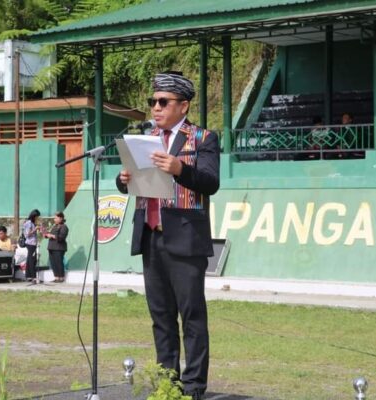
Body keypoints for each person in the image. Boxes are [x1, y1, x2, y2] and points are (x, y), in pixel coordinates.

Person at [116, 71, 220, 400]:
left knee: (191, 316)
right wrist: (124, 178)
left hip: (186, 238)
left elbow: (210, 182)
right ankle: (167, 383)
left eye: (163, 102)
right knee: (160, 316)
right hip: (150, 236)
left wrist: (180, 170)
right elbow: (130, 185)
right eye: (153, 102)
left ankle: (193, 388)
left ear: (183, 105)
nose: (155, 108)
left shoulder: (203, 138)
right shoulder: (146, 138)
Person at [44, 211, 68, 282]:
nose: (54, 219)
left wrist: (52, 236)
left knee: (58, 262)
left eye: (56, 218)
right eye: (54, 218)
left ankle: (61, 277)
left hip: (59, 248)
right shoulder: (54, 226)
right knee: (53, 263)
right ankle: (56, 277)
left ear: (61, 218)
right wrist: (46, 234)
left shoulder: (64, 227)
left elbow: (61, 237)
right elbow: (51, 234)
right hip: (51, 247)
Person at [23, 209, 40, 283]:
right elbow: (27, 234)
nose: (37, 218)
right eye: (37, 217)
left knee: (29, 259)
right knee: (32, 260)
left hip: (33, 243)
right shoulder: (29, 223)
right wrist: (35, 229)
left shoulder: (32, 223)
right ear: (34, 216)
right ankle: (33, 276)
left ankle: (28, 276)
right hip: (30, 243)